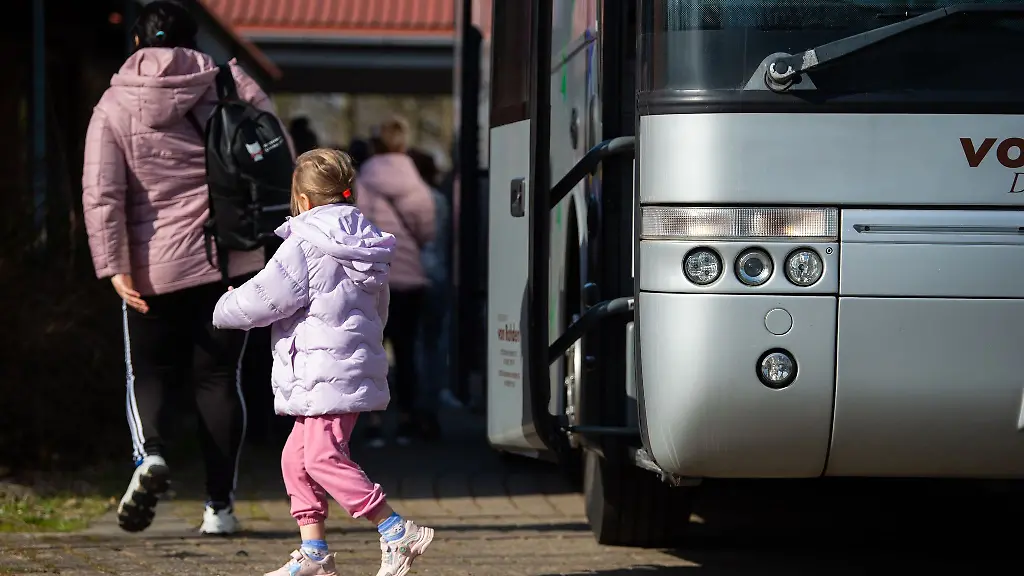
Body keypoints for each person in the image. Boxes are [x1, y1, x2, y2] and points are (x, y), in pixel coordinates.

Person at [81, 0, 290, 535]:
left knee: (148, 372)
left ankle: (149, 455)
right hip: (228, 261)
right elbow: (276, 148)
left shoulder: (113, 104)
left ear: (135, 44)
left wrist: (114, 266)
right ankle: (219, 509)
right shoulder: (224, 82)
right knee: (218, 380)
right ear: (197, 42)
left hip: (151, 267)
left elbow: (103, 194)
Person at [211, 149, 434, 576]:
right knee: (296, 458)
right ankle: (314, 552)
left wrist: (223, 306)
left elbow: (265, 298)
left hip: (323, 372)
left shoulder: (304, 243)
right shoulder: (365, 238)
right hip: (344, 367)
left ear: (302, 199)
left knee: (320, 457)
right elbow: (378, 309)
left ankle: (394, 529)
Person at [356, 116, 436, 447]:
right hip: (409, 280)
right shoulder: (418, 187)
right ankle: (405, 421)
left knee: (370, 350)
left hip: (370, 281)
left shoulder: (361, 183)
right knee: (406, 351)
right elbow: (427, 232)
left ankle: (373, 422)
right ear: (403, 145)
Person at [407, 148, 451, 440]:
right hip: (437, 276)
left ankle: (414, 408)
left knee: (412, 345)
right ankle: (430, 408)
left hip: (409, 277)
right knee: (433, 345)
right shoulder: (439, 200)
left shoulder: (408, 199)